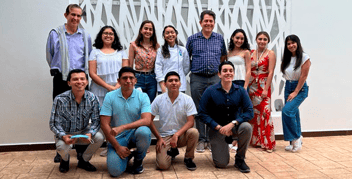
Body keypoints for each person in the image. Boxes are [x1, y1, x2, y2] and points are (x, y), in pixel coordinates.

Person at [46, 4, 92, 163]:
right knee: (60, 115)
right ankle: (61, 150)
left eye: (79, 16)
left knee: (83, 115)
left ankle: (80, 150)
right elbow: (50, 56)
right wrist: (61, 71)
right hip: (61, 78)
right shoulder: (55, 34)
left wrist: (81, 79)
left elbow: (88, 56)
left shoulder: (85, 35)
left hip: (80, 80)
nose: (76, 18)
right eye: (73, 15)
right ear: (66, 15)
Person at [198, 61, 253, 173]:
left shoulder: (241, 90)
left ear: (234, 73)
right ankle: (222, 149)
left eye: (230, 71)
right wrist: (218, 127)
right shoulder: (210, 91)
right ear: (219, 74)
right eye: (225, 71)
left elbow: (249, 112)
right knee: (221, 164)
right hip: (217, 129)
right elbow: (202, 113)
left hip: (235, 127)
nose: (228, 73)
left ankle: (240, 159)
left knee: (247, 127)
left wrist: (233, 123)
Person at [186, 10, 227, 153]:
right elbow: (187, 57)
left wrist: (218, 72)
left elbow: (223, 57)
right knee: (198, 109)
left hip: (215, 78)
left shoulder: (219, 38)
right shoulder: (192, 39)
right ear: (200, 22)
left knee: (214, 109)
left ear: (214, 23)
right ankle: (201, 140)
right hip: (197, 77)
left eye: (211, 21)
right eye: (206, 21)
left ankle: (211, 140)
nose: (208, 23)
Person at [100, 67, 152, 177]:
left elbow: (147, 120)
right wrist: (117, 147)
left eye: (131, 78)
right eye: (124, 78)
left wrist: (123, 127)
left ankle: (138, 160)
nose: (128, 80)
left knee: (144, 132)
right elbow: (104, 124)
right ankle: (127, 156)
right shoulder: (110, 96)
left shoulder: (143, 96)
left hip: (135, 134)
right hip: (117, 138)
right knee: (115, 172)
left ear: (135, 80)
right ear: (118, 81)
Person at [49, 69, 104, 173]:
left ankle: (84, 160)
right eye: (75, 79)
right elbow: (53, 123)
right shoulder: (60, 99)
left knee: (99, 138)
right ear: (69, 83)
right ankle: (64, 160)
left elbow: (96, 121)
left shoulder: (92, 98)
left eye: (82, 79)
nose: (79, 81)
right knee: (61, 147)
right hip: (66, 134)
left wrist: (90, 133)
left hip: (83, 132)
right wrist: (63, 136)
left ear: (87, 82)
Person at [89, 25, 129, 157]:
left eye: (111, 34)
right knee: (104, 119)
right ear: (101, 35)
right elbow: (92, 73)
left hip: (118, 88)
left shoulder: (121, 52)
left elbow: (125, 72)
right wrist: (108, 87)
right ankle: (108, 144)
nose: (108, 36)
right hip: (99, 90)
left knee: (117, 118)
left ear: (115, 37)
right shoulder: (95, 52)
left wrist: (116, 86)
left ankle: (115, 144)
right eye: (105, 33)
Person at [149, 71, 198, 170]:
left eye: (176, 80)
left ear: (180, 83)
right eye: (170, 81)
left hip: (181, 135)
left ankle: (188, 158)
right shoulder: (158, 99)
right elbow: (149, 120)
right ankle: (172, 151)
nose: (174, 83)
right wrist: (158, 138)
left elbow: (190, 122)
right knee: (162, 166)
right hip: (164, 137)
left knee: (194, 132)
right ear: (165, 84)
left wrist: (176, 135)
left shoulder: (187, 99)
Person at [280, 35, 311, 152]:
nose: (291, 45)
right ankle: (292, 140)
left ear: (298, 43)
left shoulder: (304, 57)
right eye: (288, 44)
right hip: (288, 86)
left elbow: (304, 76)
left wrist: (296, 91)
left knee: (287, 111)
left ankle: (297, 138)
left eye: (293, 43)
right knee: (294, 112)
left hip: (299, 88)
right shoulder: (287, 58)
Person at [248, 31, 276, 152]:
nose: (262, 41)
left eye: (265, 39)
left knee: (265, 112)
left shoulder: (270, 53)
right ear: (256, 40)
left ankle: (268, 143)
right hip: (252, 85)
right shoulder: (251, 53)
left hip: (264, 85)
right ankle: (256, 141)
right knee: (254, 114)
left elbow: (271, 72)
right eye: (260, 39)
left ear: (268, 41)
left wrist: (266, 89)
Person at [227, 29, 251, 152]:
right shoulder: (229, 52)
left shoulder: (246, 52)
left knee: (240, 112)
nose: (239, 40)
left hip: (241, 83)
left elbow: (248, 70)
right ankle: (231, 139)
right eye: (237, 38)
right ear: (232, 38)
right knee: (231, 111)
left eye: (242, 38)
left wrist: (245, 86)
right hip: (230, 84)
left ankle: (237, 141)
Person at [128, 20, 160, 102]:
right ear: (141, 30)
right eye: (146, 28)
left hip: (152, 78)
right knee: (136, 103)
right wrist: (131, 79)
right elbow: (130, 65)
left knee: (150, 104)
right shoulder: (134, 45)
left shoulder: (156, 45)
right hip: (138, 77)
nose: (148, 31)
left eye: (150, 29)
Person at [155, 25, 190, 94]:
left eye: (172, 32)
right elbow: (158, 68)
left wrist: (181, 75)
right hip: (165, 85)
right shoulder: (160, 50)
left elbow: (186, 67)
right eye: (167, 33)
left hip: (180, 85)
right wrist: (162, 84)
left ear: (176, 34)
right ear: (164, 36)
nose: (170, 35)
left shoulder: (182, 50)